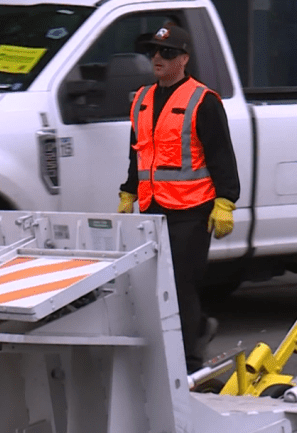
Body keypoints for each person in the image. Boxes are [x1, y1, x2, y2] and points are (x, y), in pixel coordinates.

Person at [118, 23, 240, 373]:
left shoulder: (203, 100)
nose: (158, 58)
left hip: (192, 210)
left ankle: (189, 361)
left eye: (167, 52)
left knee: (181, 284)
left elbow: (221, 156)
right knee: (154, 284)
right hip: (152, 207)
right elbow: (138, 153)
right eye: (153, 52)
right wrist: (128, 191)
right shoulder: (141, 99)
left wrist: (225, 202)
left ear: (184, 59)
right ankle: (186, 337)